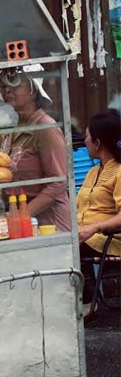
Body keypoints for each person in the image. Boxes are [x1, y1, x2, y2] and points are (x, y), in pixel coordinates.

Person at [0, 65, 71, 232]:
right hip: (20, 221)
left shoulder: (45, 127)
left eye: (15, 85)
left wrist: (22, 214)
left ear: (33, 91)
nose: (7, 90)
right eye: (4, 86)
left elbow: (58, 183)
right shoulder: (11, 128)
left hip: (49, 225)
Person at [76, 109, 121, 317]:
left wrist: (94, 228)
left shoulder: (119, 172)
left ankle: (87, 301)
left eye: (86, 136)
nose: (84, 140)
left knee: (70, 249)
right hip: (85, 235)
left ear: (98, 142)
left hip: (109, 237)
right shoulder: (94, 171)